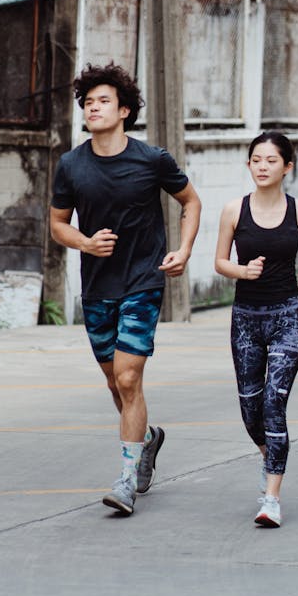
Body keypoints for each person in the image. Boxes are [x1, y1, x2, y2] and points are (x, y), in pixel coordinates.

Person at [50, 62, 201, 516]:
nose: (93, 109)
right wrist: (85, 242)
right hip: (98, 288)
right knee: (116, 384)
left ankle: (125, 480)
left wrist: (185, 248)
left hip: (143, 281)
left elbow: (190, 201)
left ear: (124, 111)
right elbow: (58, 225)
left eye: (102, 102)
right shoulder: (71, 165)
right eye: (88, 102)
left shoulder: (152, 160)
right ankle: (148, 438)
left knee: (129, 376)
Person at [214, 131, 298, 528]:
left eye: (271, 161)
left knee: (273, 405)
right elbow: (219, 262)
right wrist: (241, 271)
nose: (262, 167)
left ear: (287, 167)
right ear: (249, 165)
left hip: (287, 318)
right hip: (245, 319)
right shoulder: (233, 210)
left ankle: (271, 498)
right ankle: (272, 454)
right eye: (256, 160)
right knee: (250, 408)